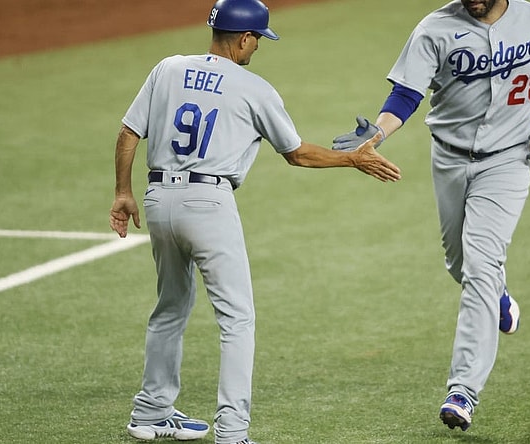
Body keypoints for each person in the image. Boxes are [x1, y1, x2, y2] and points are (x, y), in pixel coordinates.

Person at [108, 0, 401, 443]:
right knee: (237, 320)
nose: (258, 48)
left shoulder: (167, 68)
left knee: (169, 308)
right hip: (208, 203)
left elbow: (129, 131)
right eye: (258, 40)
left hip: (157, 199)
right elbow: (297, 154)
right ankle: (232, 431)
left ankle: (150, 412)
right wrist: (352, 159)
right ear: (244, 38)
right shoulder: (253, 87)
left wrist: (122, 192)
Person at [332, 0, 530, 432]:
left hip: (507, 161)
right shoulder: (435, 27)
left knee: (481, 266)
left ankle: (463, 391)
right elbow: (407, 94)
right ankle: (500, 300)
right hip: (448, 160)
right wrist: (378, 133)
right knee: (460, 263)